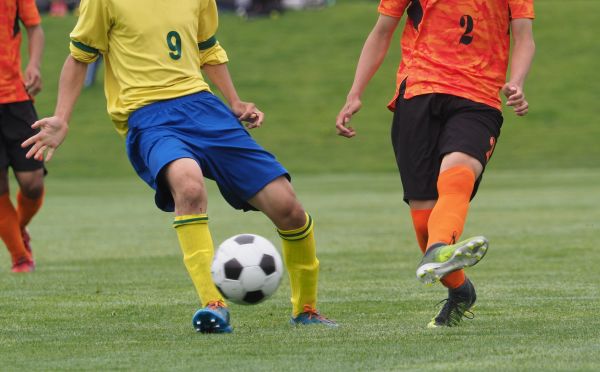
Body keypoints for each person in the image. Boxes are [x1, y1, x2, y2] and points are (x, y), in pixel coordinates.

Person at [23, 0, 337, 333]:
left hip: (203, 107)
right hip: (148, 116)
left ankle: (306, 310)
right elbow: (79, 58)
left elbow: (207, 47)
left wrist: (234, 101)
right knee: (188, 186)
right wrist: (62, 118)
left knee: (288, 206)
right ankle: (213, 305)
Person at [336, 0, 535, 327]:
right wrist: (355, 93)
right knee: (423, 220)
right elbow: (382, 32)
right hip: (418, 92)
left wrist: (518, 81)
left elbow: (524, 37)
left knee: (458, 172)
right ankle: (460, 290)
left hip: (479, 98)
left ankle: (442, 247)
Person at [0, 0, 45, 273]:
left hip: (16, 95)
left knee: (33, 184)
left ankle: (16, 229)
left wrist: (35, 64)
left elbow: (35, 28)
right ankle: (20, 257)